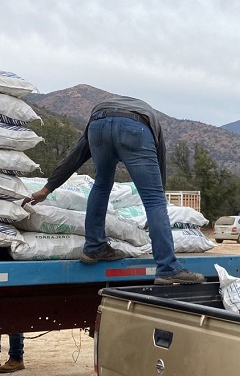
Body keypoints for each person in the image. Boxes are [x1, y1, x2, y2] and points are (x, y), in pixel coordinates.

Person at [25, 95, 204, 285]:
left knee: (101, 183)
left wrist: (48, 188)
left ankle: (94, 247)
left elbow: (76, 156)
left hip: (97, 122)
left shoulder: (104, 118)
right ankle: (168, 268)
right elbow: (160, 169)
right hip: (135, 127)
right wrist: (158, 211)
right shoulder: (152, 123)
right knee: (154, 199)